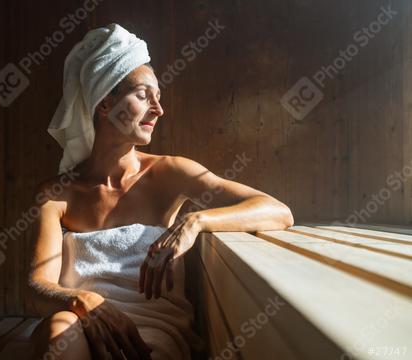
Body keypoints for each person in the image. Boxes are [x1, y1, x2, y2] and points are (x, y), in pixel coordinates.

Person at [27, 23, 294, 360]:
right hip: (80, 319)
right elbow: (37, 287)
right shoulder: (56, 195)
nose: (158, 109)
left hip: (151, 330)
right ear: (105, 104)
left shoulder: (170, 173)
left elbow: (278, 211)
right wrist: (84, 301)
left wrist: (194, 222)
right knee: (57, 335)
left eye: (158, 97)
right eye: (143, 95)